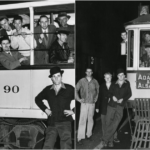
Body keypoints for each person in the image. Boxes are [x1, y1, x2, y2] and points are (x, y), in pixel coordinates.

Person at [35, 66, 75, 149]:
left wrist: (73, 111)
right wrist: (46, 109)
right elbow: (37, 99)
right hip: (52, 122)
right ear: (51, 78)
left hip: (65, 122)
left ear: (61, 76)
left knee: (66, 146)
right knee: (47, 146)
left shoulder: (69, 89)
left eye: (58, 76)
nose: (56, 78)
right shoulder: (48, 90)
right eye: (54, 76)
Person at [100, 68, 132, 148]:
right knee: (108, 123)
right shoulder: (113, 83)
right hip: (111, 105)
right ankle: (110, 141)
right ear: (117, 76)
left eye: (122, 75)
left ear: (124, 76)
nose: (121, 77)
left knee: (116, 123)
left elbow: (129, 94)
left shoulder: (127, 83)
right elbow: (109, 93)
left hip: (120, 106)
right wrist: (112, 96)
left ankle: (105, 138)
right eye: (119, 75)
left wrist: (123, 99)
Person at [76, 67, 99, 145]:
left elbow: (98, 91)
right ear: (85, 72)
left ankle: (89, 135)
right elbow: (75, 89)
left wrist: (96, 98)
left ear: (92, 72)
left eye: (90, 72)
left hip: (92, 103)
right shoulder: (81, 81)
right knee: (82, 120)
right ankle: (80, 137)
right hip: (84, 103)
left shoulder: (95, 81)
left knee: (90, 119)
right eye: (87, 72)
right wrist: (78, 99)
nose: (89, 73)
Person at [95, 72, 114, 138]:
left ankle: (114, 137)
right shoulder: (102, 86)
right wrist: (97, 107)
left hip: (112, 107)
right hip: (103, 107)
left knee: (112, 122)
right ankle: (105, 136)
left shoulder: (115, 85)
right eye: (106, 77)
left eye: (109, 77)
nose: (108, 78)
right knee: (104, 122)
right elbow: (99, 97)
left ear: (111, 78)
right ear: (104, 78)